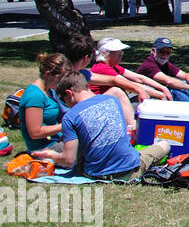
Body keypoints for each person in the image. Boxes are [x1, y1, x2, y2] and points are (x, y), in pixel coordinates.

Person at [36, 74, 170, 180]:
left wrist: (51, 155)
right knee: (165, 144)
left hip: (95, 174)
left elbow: (69, 160)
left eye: (65, 102)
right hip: (130, 171)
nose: (68, 106)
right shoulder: (113, 101)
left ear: (69, 94)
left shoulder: (70, 117)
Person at [90, 38, 171, 103]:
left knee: (150, 90)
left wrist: (163, 88)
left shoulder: (113, 66)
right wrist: (160, 95)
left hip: (112, 101)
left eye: (121, 51)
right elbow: (129, 84)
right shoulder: (102, 68)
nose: (121, 54)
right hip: (101, 103)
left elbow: (139, 78)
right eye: (117, 52)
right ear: (104, 53)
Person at [18, 53, 71, 154]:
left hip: (55, 142)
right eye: (60, 78)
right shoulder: (34, 95)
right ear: (48, 74)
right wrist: (66, 125)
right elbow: (35, 132)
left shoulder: (49, 91)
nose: (63, 82)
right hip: (43, 149)